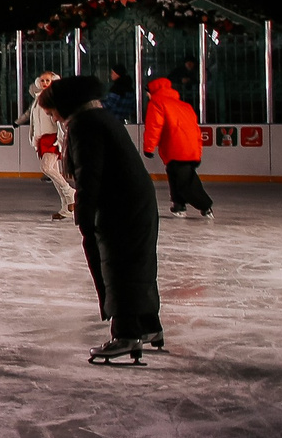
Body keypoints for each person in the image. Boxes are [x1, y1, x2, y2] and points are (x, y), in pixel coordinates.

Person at [45, 74, 165, 362]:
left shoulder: (85, 125)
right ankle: (148, 326)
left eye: (52, 112)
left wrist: (83, 214)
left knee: (116, 266)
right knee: (136, 262)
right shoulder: (100, 117)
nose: (54, 118)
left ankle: (126, 334)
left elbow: (90, 173)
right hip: (134, 201)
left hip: (119, 206)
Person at [142, 76, 214, 218]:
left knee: (185, 182)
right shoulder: (184, 106)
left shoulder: (157, 103)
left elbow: (154, 126)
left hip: (176, 148)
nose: (147, 96)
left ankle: (205, 206)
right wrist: (198, 152)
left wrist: (149, 147)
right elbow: (196, 131)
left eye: (147, 93)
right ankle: (178, 205)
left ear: (153, 91)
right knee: (174, 175)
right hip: (189, 147)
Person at [23, 72, 77, 220]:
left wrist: (62, 140)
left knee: (46, 168)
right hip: (42, 139)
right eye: (42, 80)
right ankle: (66, 208)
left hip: (53, 138)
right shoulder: (39, 99)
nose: (44, 82)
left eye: (47, 80)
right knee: (53, 174)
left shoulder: (55, 99)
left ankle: (70, 192)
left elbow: (59, 121)